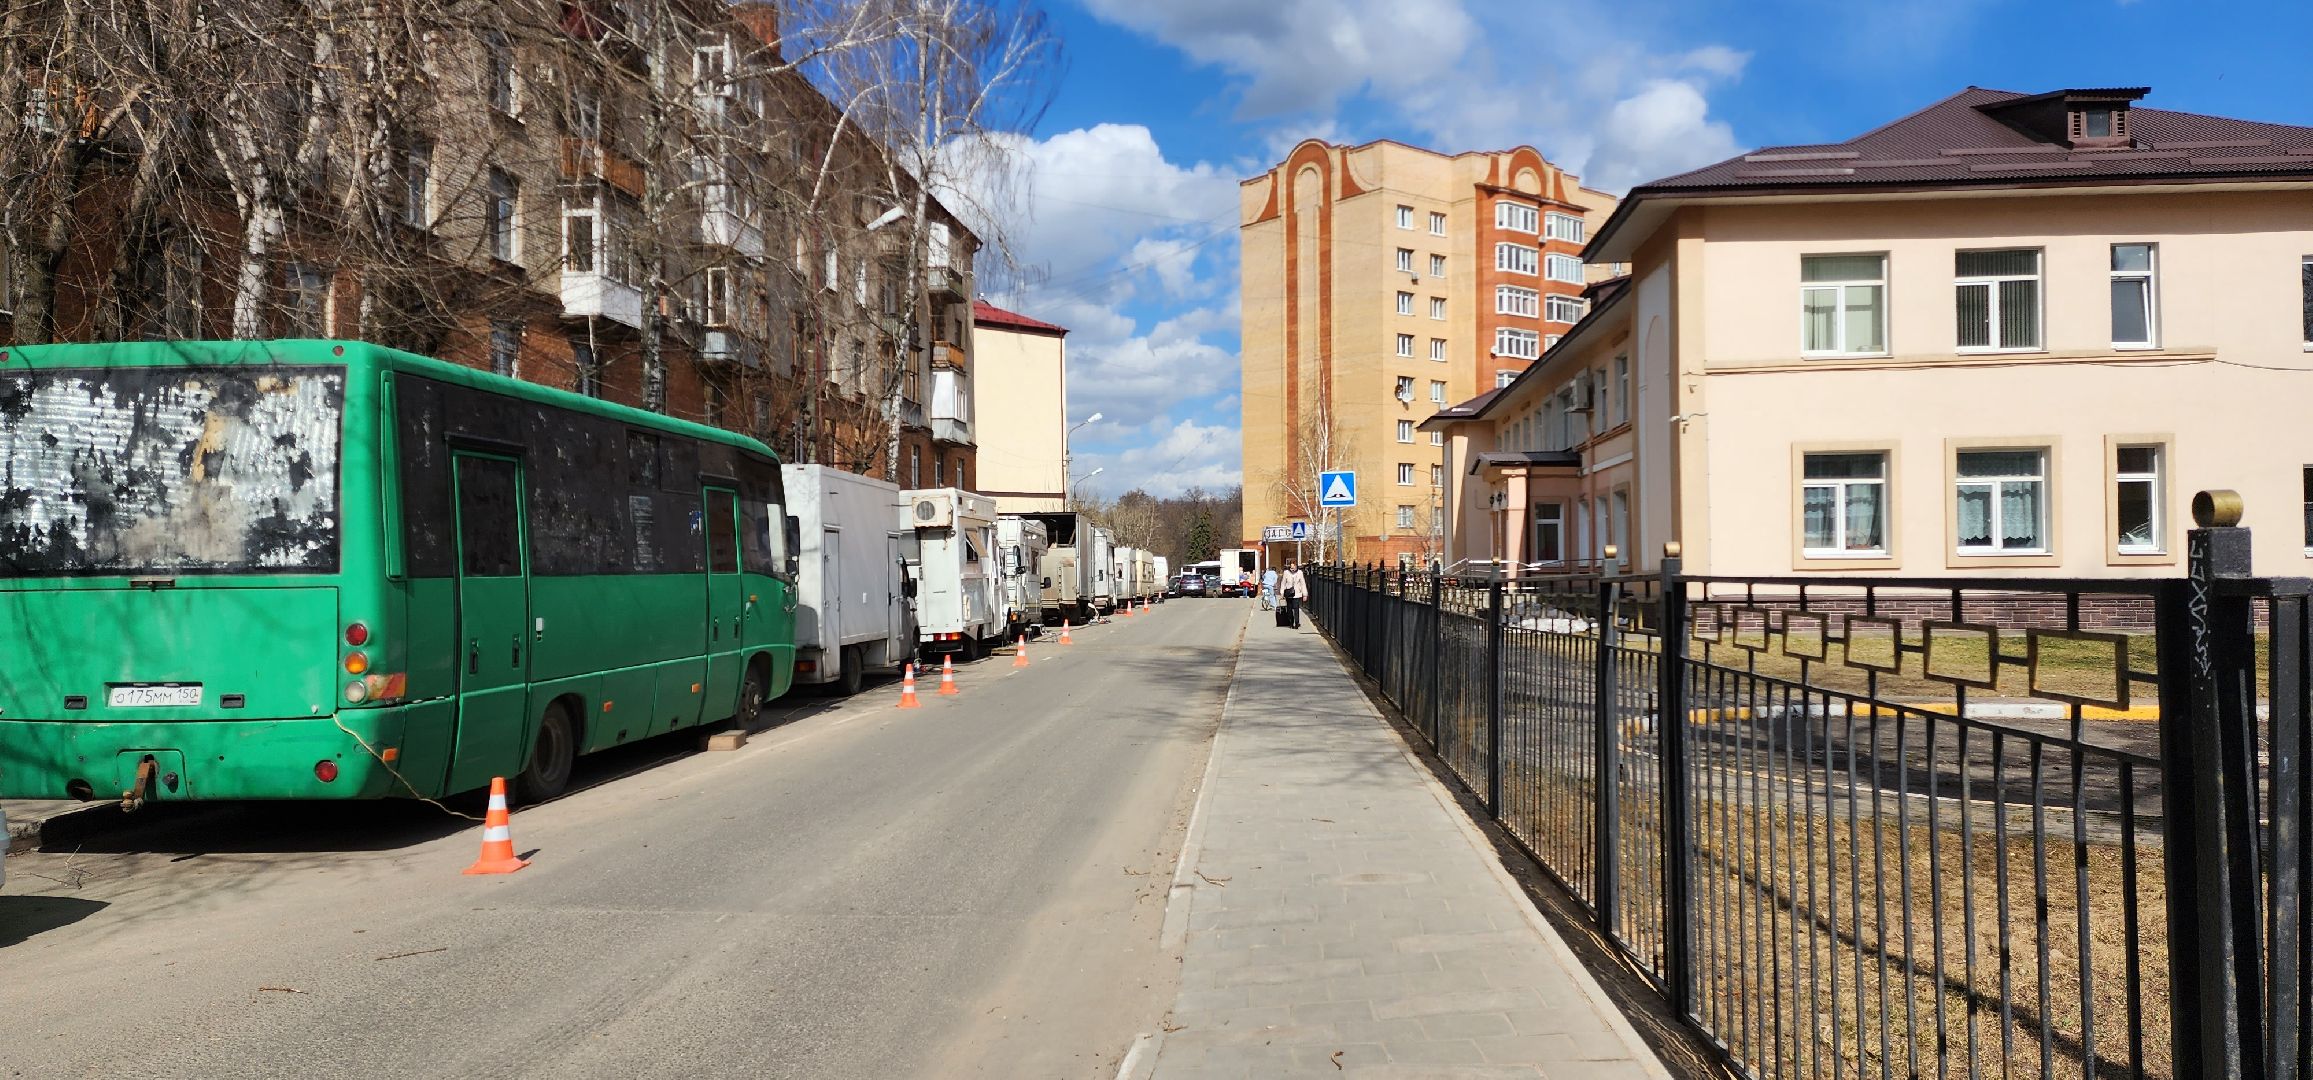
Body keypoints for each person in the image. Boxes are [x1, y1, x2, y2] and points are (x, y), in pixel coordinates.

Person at [1278, 562, 1307, 629]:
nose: (1292, 569)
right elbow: (1283, 583)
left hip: (1297, 593)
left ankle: (1296, 623)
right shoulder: (1286, 572)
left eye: (1293, 568)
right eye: (1291, 568)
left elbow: (1303, 583)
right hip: (1288, 593)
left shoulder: (1300, 572)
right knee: (1289, 609)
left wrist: (1304, 594)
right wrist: (1282, 592)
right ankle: (1291, 622)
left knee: (1296, 608)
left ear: (1296, 567)